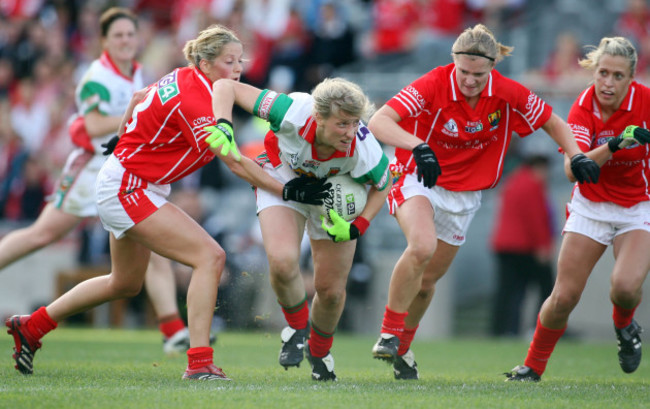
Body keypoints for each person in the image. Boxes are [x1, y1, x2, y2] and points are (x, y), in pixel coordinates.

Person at [5, 24, 329, 381]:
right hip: (129, 186)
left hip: (129, 180)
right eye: (228, 61)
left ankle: (31, 327)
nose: (238, 69)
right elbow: (234, 161)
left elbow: (139, 96)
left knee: (124, 282)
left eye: (240, 61)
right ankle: (200, 361)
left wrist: (124, 135)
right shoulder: (199, 102)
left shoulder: (186, 77)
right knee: (210, 257)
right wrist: (288, 190)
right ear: (205, 64)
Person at [366, 23, 600, 380]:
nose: (470, 80)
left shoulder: (506, 92)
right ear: (453, 62)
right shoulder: (433, 82)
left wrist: (577, 154)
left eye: (479, 73)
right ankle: (388, 331)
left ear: (492, 67)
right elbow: (380, 120)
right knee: (421, 246)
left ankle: (403, 349)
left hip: (464, 195)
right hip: (418, 175)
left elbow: (552, 121)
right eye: (463, 71)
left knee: (427, 283)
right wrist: (419, 146)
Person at [0, 7, 198, 357]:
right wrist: (138, 115)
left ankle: (173, 330)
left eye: (129, 34)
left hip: (125, 172)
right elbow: (89, 128)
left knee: (152, 249)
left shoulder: (141, 74)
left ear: (138, 39)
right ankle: (173, 330)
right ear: (104, 41)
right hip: (92, 168)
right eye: (117, 35)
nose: (125, 41)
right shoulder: (96, 75)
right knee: (42, 234)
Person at [209, 76, 392, 381]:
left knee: (331, 291)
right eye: (342, 124)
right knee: (282, 262)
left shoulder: (363, 147)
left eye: (354, 123)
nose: (350, 132)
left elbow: (384, 184)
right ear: (318, 117)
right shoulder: (291, 110)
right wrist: (223, 124)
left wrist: (357, 227)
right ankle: (296, 330)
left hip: (334, 192)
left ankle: (319, 353)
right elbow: (224, 87)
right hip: (282, 177)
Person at [506, 36, 650, 382]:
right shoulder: (583, 106)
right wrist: (615, 144)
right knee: (564, 297)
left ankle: (625, 327)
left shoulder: (645, 102)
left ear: (631, 79)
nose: (608, 83)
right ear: (593, 73)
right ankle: (533, 367)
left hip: (637, 206)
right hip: (591, 205)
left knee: (625, 287)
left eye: (618, 76)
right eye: (603, 73)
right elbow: (574, 169)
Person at [490, 154, 555, 337]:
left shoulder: (513, 181)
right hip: (524, 246)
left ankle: (502, 330)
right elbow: (535, 217)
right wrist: (543, 245)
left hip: (504, 245)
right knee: (547, 286)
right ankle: (544, 327)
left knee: (508, 290)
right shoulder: (533, 184)